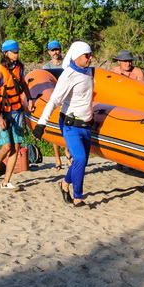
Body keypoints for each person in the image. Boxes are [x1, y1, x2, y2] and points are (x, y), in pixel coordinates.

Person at [32, 42, 95, 208]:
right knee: (80, 159)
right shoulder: (68, 76)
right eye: (87, 55)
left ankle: (65, 184)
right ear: (77, 56)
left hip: (86, 124)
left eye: (91, 54)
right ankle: (78, 197)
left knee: (81, 162)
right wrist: (41, 124)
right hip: (70, 124)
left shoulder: (88, 71)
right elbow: (54, 100)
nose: (90, 58)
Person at [0, 40, 34, 189]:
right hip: (2, 112)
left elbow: (23, 84)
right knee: (7, 146)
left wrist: (30, 98)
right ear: (5, 53)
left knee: (16, 146)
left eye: (17, 51)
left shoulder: (20, 67)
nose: (16, 54)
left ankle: (6, 182)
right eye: (14, 52)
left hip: (16, 110)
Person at [41, 40, 69, 170]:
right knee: (54, 130)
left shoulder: (67, 64)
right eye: (52, 50)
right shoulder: (46, 67)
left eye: (57, 49)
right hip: (53, 99)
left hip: (66, 98)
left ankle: (67, 152)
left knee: (67, 127)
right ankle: (58, 160)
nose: (55, 52)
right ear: (49, 52)